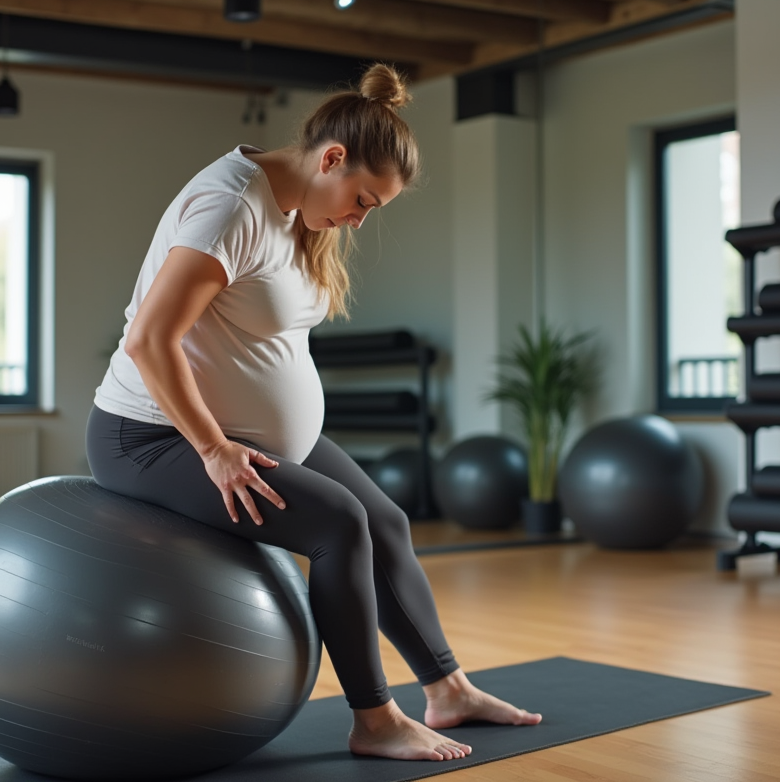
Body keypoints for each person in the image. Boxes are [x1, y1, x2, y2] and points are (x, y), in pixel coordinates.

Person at [86, 63, 541, 763]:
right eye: (362, 200)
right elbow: (149, 340)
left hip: (238, 432)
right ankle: (375, 720)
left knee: (385, 521)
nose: (359, 218)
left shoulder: (298, 210)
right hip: (151, 437)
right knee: (338, 524)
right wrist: (213, 450)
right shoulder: (231, 207)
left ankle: (448, 689)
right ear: (331, 159)